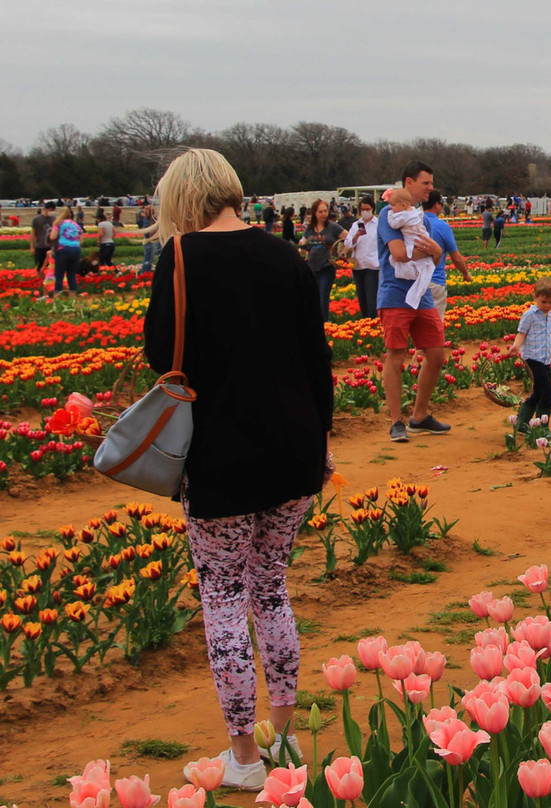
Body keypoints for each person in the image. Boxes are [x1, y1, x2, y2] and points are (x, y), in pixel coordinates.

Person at [143, 148, 333, 792]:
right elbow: (318, 358)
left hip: (222, 454)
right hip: (295, 449)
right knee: (272, 588)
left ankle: (244, 758)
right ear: (230, 191)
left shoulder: (181, 259)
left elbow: (157, 353)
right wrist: (322, 441)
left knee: (223, 598)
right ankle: (283, 734)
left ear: (181, 199)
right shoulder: (286, 255)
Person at [376, 161, 448, 442]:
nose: (431, 188)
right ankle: (396, 422)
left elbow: (436, 257)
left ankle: (419, 416)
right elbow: (399, 253)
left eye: (431, 183)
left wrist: (436, 250)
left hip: (422, 294)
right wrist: (429, 252)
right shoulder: (389, 214)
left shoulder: (423, 218)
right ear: (409, 182)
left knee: (437, 355)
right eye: (426, 183)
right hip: (395, 294)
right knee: (396, 355)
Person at [508, 277, 551, 432]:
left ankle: (523, 424)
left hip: (545, 360)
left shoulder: (549, 315)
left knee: (537, 393)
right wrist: (515, 347)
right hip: (531, 359)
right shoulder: (529, 315)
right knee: (548, 393)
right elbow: (521, 334)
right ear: (535, 297)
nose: (547, 306)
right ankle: (542, 427)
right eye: (543, 302)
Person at [422, 189, 472, 318]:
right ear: (437, 205)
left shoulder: (414, 223)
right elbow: (456, 257)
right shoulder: (441, 226)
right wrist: (465, 274)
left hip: (413, 283)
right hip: (434, 281)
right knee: (435, 325)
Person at [384, 187, 437, 307]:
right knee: (422, 265)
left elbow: (393, 224)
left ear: (403, 205)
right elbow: (435, 253)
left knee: (403, 264)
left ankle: (416, 278)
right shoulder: (417, 213)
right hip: (420, 240)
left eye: (393, 205)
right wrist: (433, 252)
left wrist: (390, 214)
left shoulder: (403, 216)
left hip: (413, 241)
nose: (390, 208)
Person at [299, 199, 345, 321]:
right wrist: (302, 250)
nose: (324, 214)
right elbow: (303, 243)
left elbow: (348, 238)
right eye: (321, 211)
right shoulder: (310, 229)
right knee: (312, 297)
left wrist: (342, 253)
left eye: (325, 211)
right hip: (311, 267)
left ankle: (324, 324)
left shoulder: (333, 227)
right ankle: (314, 322)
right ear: (315, 213)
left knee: (323, 298)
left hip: (326, 267)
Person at [345, 195, 381, 319]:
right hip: (358, 265)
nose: (365, 212)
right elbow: (348, 244)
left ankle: (373, 320)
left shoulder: (378, 224)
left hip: (372, 265)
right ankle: (365, 320)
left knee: (372, 298)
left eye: (367, 209)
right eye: (363, 209)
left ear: (372, 209)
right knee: (362, 298)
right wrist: (356, 236)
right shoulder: (356, 225)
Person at [49, 207, 83, 295]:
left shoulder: (58, 223)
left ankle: (57, 299)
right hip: (76, 249)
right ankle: (72, 299)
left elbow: (52, 237)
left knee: (59, 275)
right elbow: (81, 241)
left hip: (63, 249)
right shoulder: (76, 225)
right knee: (71, 275)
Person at [30, 201, 56, 276]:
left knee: (50, 266)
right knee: (40, 266)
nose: (51, 212)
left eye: (53, 210)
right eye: (50, 210)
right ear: (45, 209)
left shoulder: (54, 219)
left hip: (50, 247)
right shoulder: (37, 219)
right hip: (40, 246)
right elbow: (33, 233)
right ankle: (39, 282)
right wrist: (32, 247)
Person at [138, 204, 162, 274]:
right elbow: (151, 232)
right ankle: (145, 273)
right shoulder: (152, 220)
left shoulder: (145, 219)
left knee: (147, 258)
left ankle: (144, 273)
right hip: (152, 240)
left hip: (147, 240)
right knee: (150, 258)